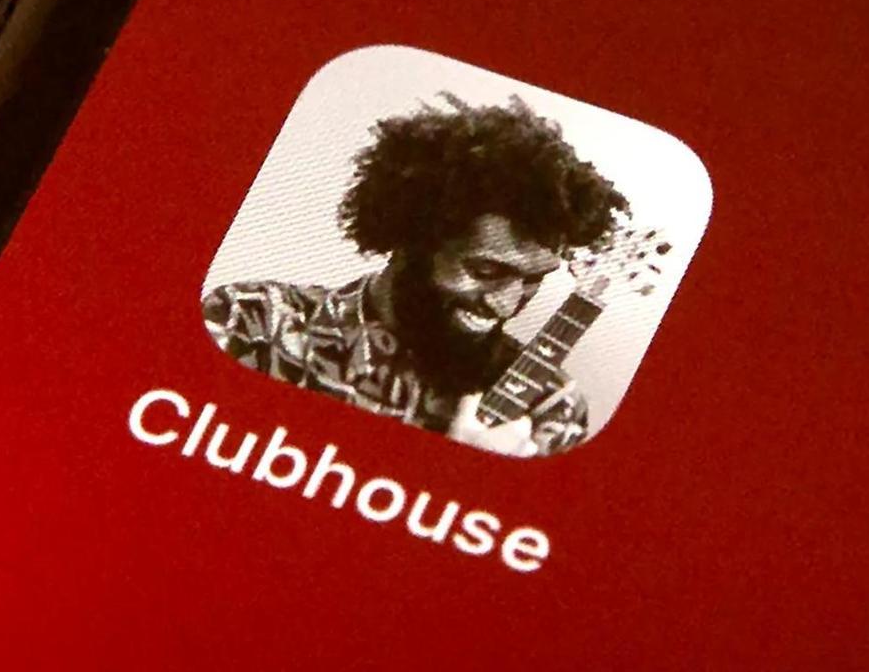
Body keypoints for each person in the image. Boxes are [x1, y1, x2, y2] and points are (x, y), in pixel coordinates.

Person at [202, 94, 628, 457]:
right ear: (414, 239)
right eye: (484, 270)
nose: (505, 304)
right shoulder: (252, 322)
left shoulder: (551, 406)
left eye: (534, 279)